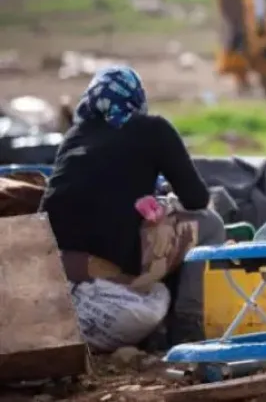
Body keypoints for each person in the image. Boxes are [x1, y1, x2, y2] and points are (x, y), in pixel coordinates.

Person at [41, 66, 224, 344]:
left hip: (59, 267)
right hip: (112, 266)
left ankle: (157, 328)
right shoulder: (153, 129)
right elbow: (196, 199)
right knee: (210, 225)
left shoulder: (75, 136)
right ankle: (188, 326)